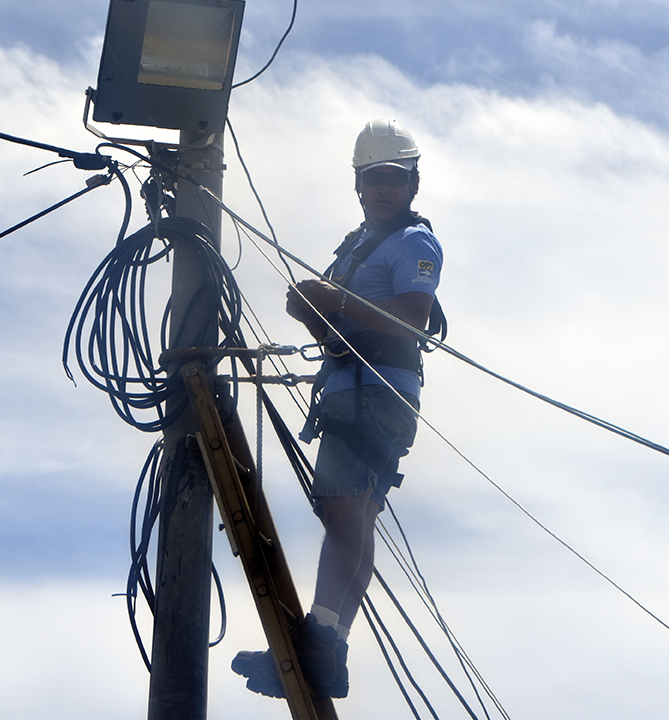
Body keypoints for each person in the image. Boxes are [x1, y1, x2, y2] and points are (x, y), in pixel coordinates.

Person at [232, 118, 444, 699]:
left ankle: (321, 642)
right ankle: (330, 642)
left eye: (394, 179)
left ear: (412, 184)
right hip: (353, 389)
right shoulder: (356, 247)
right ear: (358, 183)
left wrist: (331, 298)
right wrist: (313, 310)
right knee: (351, 514)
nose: (383, 188)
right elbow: (343, 322)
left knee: (347, 513)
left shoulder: (413, 243)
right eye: (374, 178)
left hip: (377, 393)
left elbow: (412, 316)